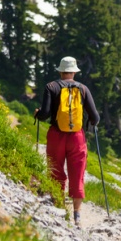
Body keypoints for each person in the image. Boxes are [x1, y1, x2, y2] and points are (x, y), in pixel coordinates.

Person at [35, 56, 100, 228]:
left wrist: (37, 113)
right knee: (77, 174)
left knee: (56, 170)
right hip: (77, 138)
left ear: (60, 71)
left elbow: (45, 114)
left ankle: (59, 207)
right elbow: (95, 117)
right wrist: (89, 124)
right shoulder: (83, 89)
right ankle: (77, 215)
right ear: (74, 72)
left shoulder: (51, 87)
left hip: (57, 135)